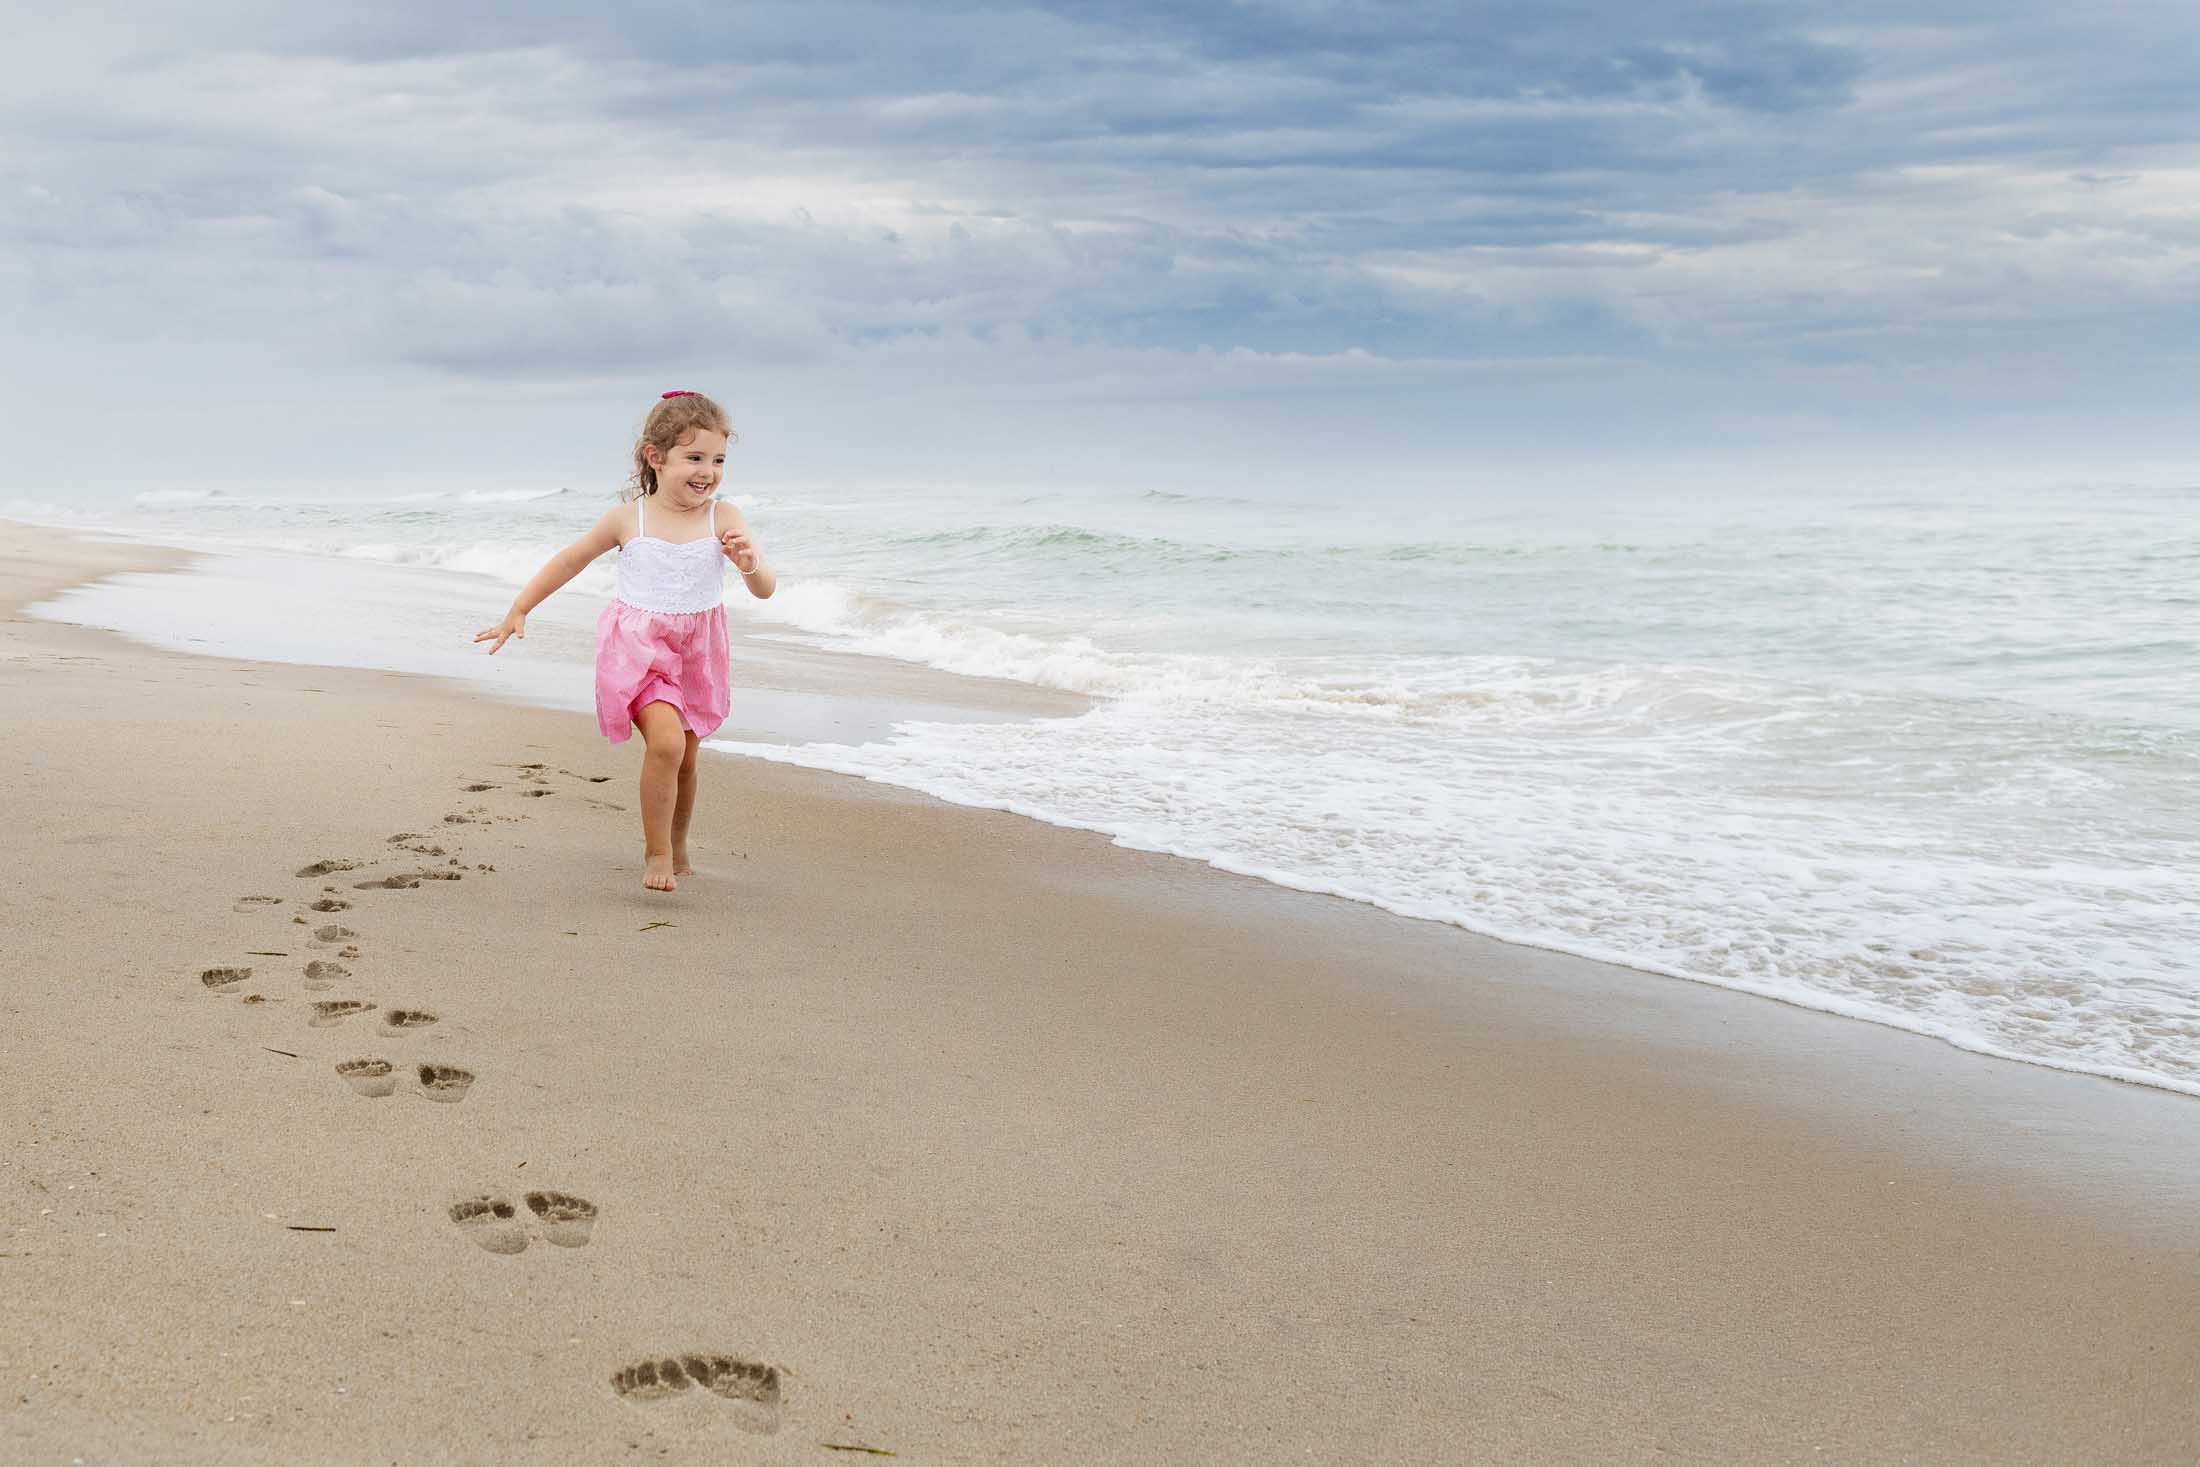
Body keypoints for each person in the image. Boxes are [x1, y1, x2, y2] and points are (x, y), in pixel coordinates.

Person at [474, 390, 775, 891]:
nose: (708, 471)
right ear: (656, 458)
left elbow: (764, 589)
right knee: (664, 744)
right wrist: (519, 609)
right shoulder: (627, 519)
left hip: (699, 654)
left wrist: (749, 563)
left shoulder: (724, 517)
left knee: (687, 756)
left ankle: (678, 843)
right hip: (640, 652)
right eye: (694, 457)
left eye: (718, 459)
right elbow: (570, 559)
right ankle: (656, 853)